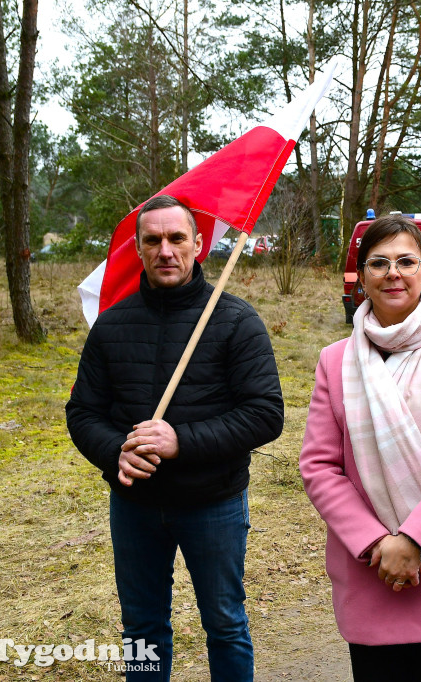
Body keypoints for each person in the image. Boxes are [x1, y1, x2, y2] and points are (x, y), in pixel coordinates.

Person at [66, 195, 284, 681]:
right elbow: (83, 412)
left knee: (224, 623)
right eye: (153, 240)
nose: (166, 250)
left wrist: (179, 440)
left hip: (213, 503)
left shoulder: (235, 321)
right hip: (134, 505)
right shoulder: (111, 325)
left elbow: (265, 414)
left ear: (199, 245)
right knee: (142, 628)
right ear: (139, 250)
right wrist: (114, 450)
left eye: (177, 238)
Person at [299, 215, 421, 682]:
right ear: (361, 277)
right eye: (379, 262)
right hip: (373, 572)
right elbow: (320, 467)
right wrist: (380, 544)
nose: (394, 272)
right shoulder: (336, 361)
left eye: (407, 261)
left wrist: (416, 539)